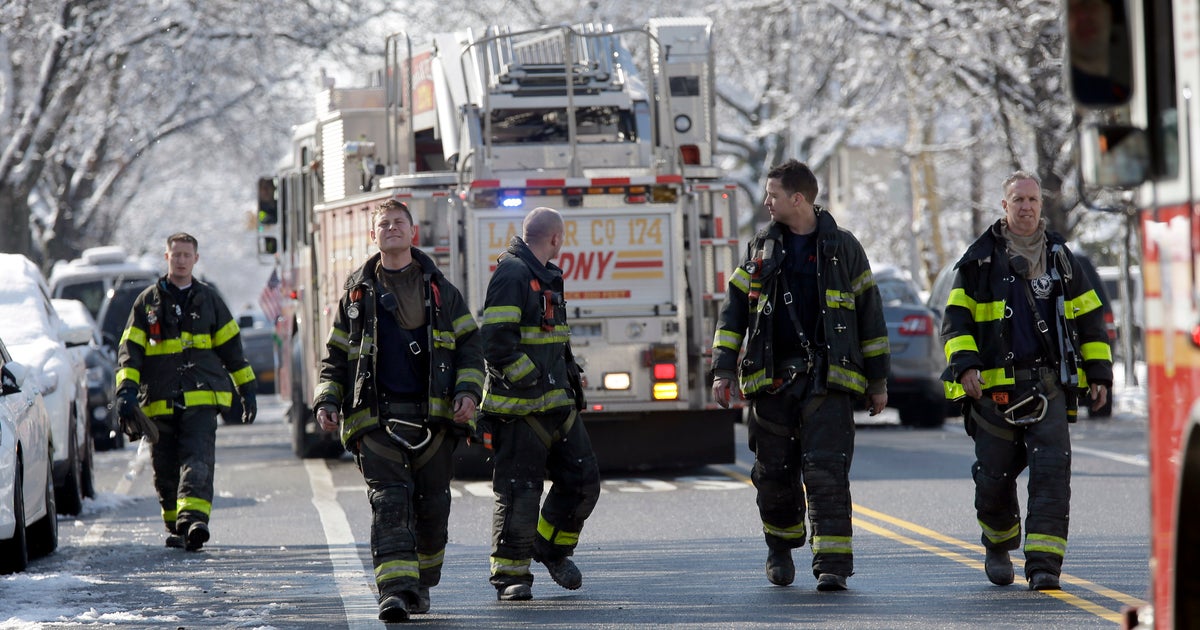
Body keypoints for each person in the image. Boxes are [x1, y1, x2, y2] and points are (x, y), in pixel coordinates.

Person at [710, 159, 889, 592]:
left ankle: (832, 565)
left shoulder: (844, 248)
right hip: (772, 383)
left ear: (798, 199)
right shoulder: (760, 249)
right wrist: (722, 369)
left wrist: (879, 382)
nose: (766, 202)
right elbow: (733, 311)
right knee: (773, 474)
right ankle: (781, 547)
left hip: (829, 383)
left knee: (827, 473)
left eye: (773, 195)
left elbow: (870, 316)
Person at [312, 199, 483, 623]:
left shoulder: (444, 292)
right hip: (375, 420)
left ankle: (420, 581)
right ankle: (394, 590)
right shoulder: (356, 294)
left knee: (432, 506)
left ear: (413, 234)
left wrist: (467, 393)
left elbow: (470, 349)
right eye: (383, 224)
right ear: (373, 236)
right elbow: (335, 357)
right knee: (389, 501)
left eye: (398, 223)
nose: (390, 229)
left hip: (435, 420)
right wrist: (327, 399)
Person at [941, 171, 1113, 591]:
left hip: (1049, 386)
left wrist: (1099, 374)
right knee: (994, 480)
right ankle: (999, 545)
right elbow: (955, 322)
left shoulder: (1061, 258)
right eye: (1018, 199)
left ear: (1041, 204)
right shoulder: (979, 260)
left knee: (1052, 475)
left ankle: (1043, 567)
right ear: (1004, 205)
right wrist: (965, 367)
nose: (1026, 207)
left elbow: (1091, 319)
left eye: (1033, 200)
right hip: (995, 394)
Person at [478, 206, 599, 602]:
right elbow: (496, 341)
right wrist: (531, 378)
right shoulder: (512, 273)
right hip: (519, 410)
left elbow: (550, 338)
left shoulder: (546, 274)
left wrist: (568, 372)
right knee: (519, 492)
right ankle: (511, 576)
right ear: (556, 239)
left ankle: (551, 549)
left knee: (583, 482)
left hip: (555, 404)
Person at [114, 232, 257, 552]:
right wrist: (126, 390)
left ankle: (194, 520)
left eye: (186, 255)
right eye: (175, 254)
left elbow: (232, 349)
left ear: (196, 259)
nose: (180, 259)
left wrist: (246, 387)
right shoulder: (147, 303)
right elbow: (130, 352)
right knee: (164, 467)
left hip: (202, 397)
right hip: (159, 401)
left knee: (198, 458)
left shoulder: (210, 301)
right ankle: (176, 525)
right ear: (166, 257)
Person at [1068, 0, 1130, 106]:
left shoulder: (1127, 97)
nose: (1082, 15)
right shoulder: (1060, 98)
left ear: (1109, 12)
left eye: (1088, 3)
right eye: (1069, 9)